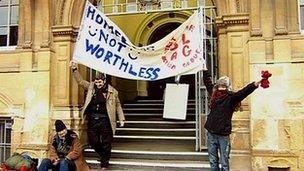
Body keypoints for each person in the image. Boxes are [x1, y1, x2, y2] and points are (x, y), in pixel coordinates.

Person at [70, 61, 125, 170]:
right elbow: (80, 82)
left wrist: (121, 119)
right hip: (93, 119)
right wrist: (74, 70)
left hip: (106, 120)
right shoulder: (91, 87)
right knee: (92, 141)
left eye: (99, 82)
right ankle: (103, 155)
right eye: (96, 82)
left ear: (104, 81)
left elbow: (118, 105)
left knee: (106, 142)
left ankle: (104, 163)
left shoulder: (113, 91)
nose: (98, 84)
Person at [203, 71, 261, 171]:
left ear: (227, 86)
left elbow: (244, 92)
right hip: (211, 133)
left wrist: (255, 84)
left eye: (223, 85)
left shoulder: (231, 97)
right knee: (213, 161)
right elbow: (207, 82)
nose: (221, 87)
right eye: (220, 85)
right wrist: (205, 70)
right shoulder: (214, 94)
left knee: (224, 161)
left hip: (223, 135)